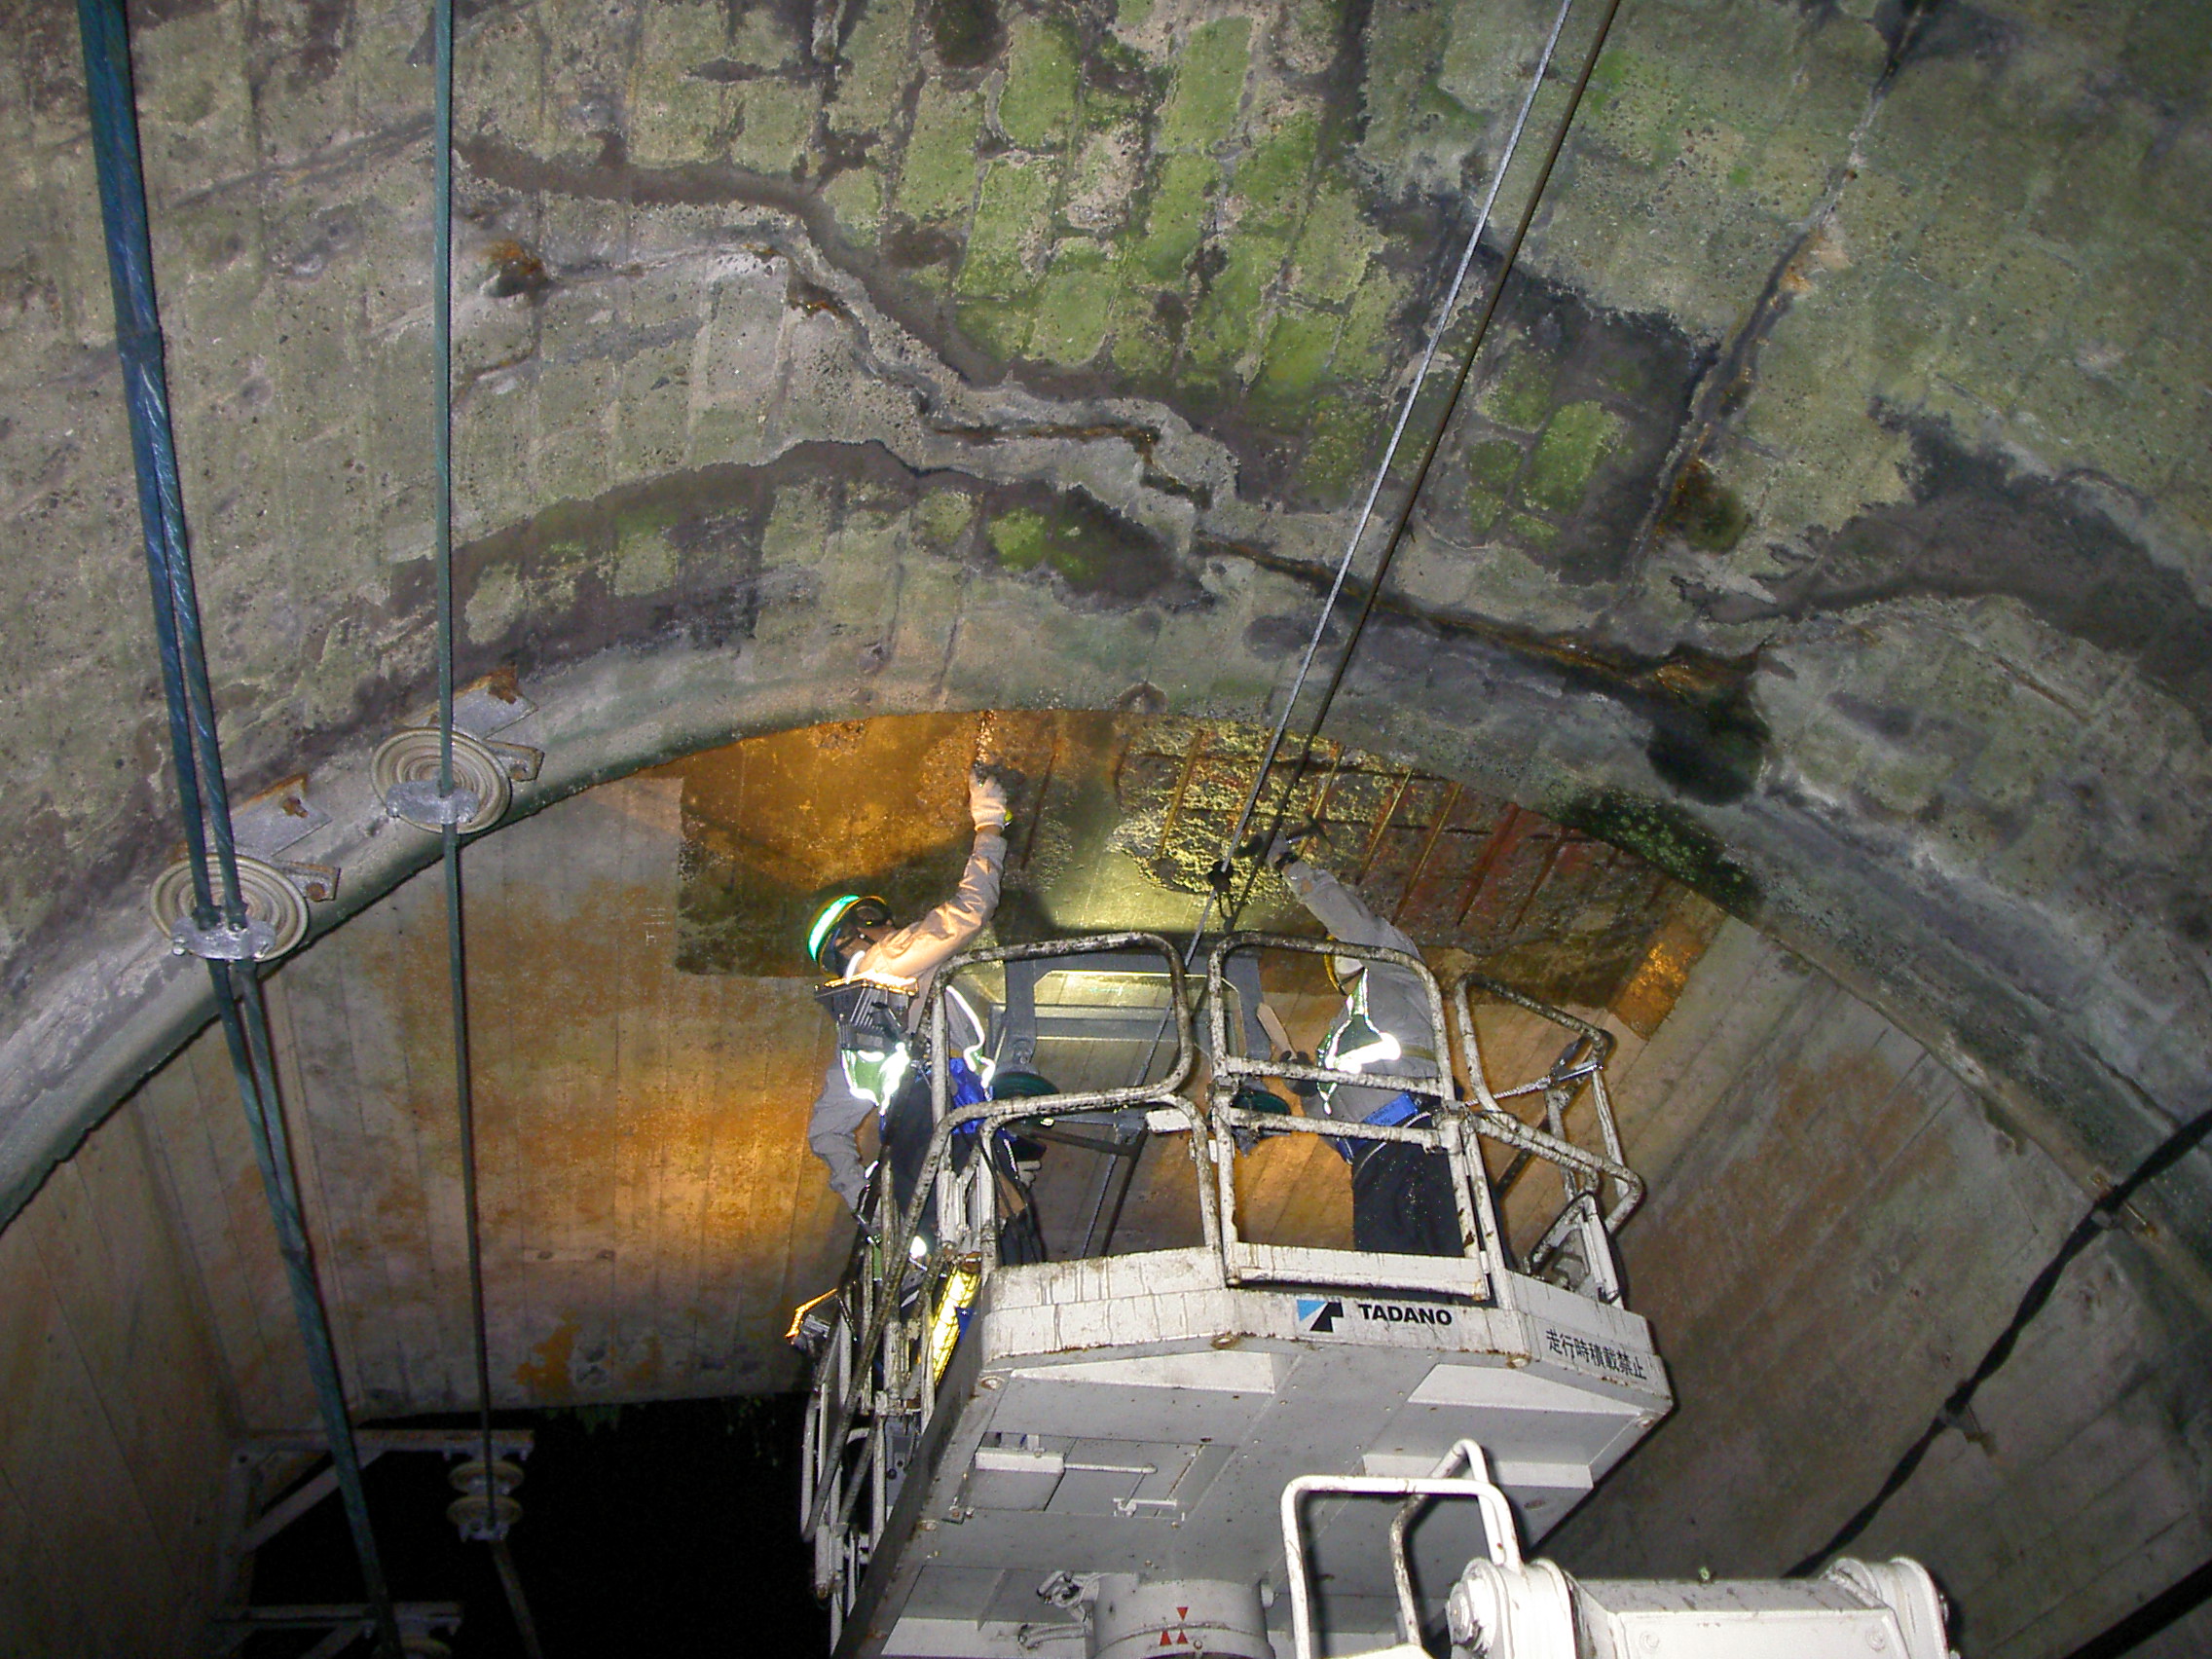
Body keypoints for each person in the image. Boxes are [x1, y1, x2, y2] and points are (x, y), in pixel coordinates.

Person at [805, 766, 1009, 1228]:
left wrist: (863, 1201)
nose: (890, 923)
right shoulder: (887, 960)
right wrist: (989, 820)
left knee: (950, 1234)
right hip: (949, 1108)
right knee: (993, 1220)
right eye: (873, 917)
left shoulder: (851, 1040)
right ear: (847, 941)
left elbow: (825, 1132)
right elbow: (969, 910)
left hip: (908, 1139)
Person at [1271, 832, 1466, 1258]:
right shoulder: (1332, 1039)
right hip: (1369, 1164)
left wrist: (1294, 869)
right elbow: (1329, 1124)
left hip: (1422, 1138)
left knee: (1463, 1251)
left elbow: (1357, 926)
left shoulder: (1399, 976)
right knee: (1402, 1281)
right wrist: (1308, 1093)